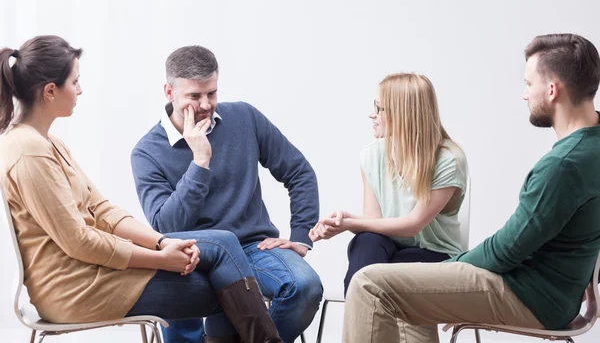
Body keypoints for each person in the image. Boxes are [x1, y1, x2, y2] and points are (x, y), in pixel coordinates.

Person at [0, 35, 283, 343]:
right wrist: (161, 259)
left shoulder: (49, 142)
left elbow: (105, 211)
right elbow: (79, 242)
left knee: (224, 244)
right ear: (51, 92)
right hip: (76, 289)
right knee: (222, 285)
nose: (80, 89)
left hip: (95, 274)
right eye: (75, 81)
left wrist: (161, 243)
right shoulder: (28, 152)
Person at [342, 33, 600, 343]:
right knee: (400, 282)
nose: (524, 94)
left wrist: (450, 268)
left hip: (529, 294)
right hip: (554, 294)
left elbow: (506, 250)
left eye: (528, 84)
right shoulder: (590, 149)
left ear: (552, 89)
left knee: (369, 284)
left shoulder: (564, 165)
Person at [131, 45, 323, 343]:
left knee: (305, 286)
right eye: (194, 96)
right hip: (192, 256)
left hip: (253, 248)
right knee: (180, 310)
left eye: (212, 93)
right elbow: (167, 227)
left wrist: (300, 236)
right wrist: (199, 162)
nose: (206, 104)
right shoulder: (147, 152)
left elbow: (299, 172)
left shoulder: (244, 117)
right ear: (169, 92)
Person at [309, 73, 467, 296]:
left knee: (372, 275)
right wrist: (345, 219)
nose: (372, 115)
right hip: (388, 249)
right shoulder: (372, 156)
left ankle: (359, 324)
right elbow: (374, 224)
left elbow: (413, 225)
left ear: (403, 114)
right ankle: (362, 324)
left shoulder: (449, 160)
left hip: (435, 256)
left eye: (380, 108)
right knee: (366, 243)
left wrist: (349, 223)